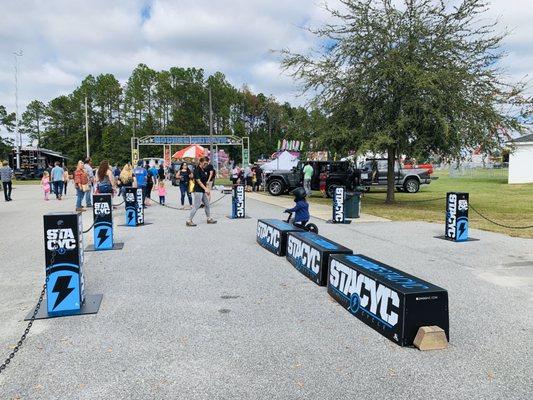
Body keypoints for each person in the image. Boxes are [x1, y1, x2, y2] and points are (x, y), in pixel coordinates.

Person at [186, 157, 217, 227]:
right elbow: (199, 181)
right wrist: (206, 189)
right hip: (198, 190)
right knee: (196, 206)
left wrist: (206, 188)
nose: (206, 164)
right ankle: (189, 220)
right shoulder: (197, 170)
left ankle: (209, 218)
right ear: (200, 162)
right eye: (205, 163)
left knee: (207, 204)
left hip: (202, 191)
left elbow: (204, 180)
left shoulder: (203, 170)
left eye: (207, 163)